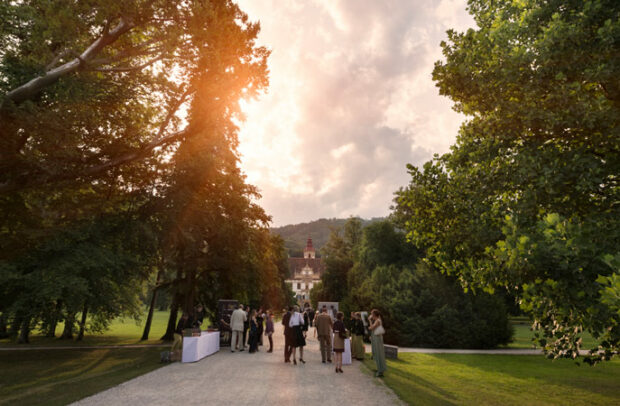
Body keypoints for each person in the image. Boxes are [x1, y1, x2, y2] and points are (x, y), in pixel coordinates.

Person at [368, 309, 387, 377]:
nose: (370, 315)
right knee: (376, 353)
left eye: (371, 314)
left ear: (374, 315)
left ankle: (380, 371)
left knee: (379, 353)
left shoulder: (378, 321)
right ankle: (379, 368)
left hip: (377, 338)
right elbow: (371, 328)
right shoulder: (377, 320)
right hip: (375, 337)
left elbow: (371, 328)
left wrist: (369, 320)